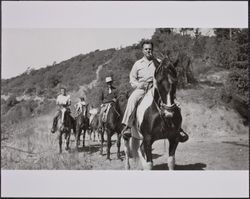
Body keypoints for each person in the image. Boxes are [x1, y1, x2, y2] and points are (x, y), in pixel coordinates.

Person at [121, 40, 176, 138]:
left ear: (152, 50)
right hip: (142, 88)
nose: (148, 51)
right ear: (142, 50)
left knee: (172, 100)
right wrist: (138, 85)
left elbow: (165, 75)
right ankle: (127, 126)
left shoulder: (158, 62)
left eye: (150, 49)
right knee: (132, 99)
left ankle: (177, 128)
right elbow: (132, 79)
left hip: (156, 88)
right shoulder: (137, 64)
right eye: (146, 49)